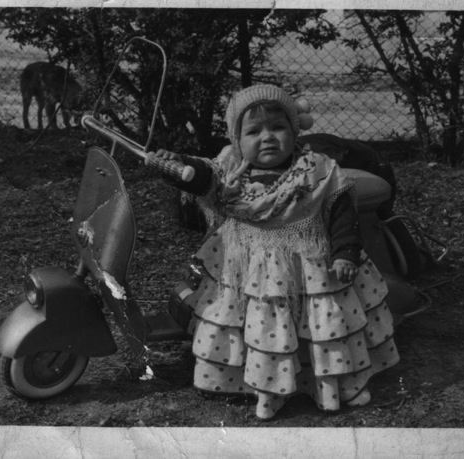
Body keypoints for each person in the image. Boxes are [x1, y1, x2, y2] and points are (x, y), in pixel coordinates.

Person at [149, 84, 399, 420]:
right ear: (237, 140)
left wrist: (345, 253)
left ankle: (334, 382)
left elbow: (342, 213)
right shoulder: (229, 171)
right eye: (253, 131)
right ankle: (263, 386)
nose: (267, 137)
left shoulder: (317, 171)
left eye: (278, 127)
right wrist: (178, 165)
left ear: (294, 132)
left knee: (321, 328)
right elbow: (200, 176)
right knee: (263, 328)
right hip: (250, 273)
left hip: (310, 269)